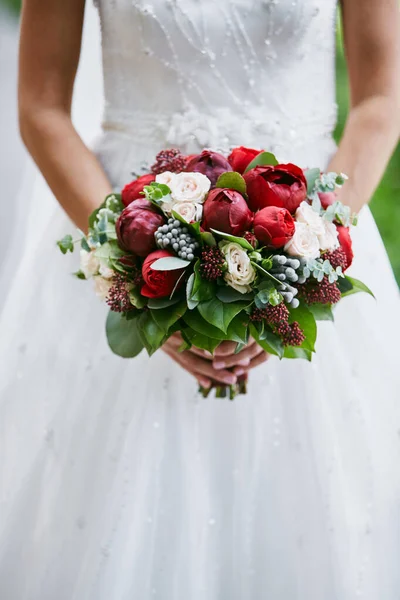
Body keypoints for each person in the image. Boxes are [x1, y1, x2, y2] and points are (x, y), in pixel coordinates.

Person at [0, 0, 399, 597]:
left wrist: (305, 262)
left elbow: (380, 100)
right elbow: (41, 106)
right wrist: (134, 275)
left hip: (309, 227)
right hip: (124, 225)